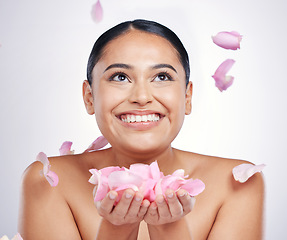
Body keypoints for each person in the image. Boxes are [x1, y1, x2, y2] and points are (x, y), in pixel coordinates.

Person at [18, 19, 264, 239]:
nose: (142, 96)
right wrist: (115, 230)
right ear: (89, 97)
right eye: (120, 77)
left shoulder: (238, 183)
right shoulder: (47, 182)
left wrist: (171, 230)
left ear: (187, 97)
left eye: (162, 77)